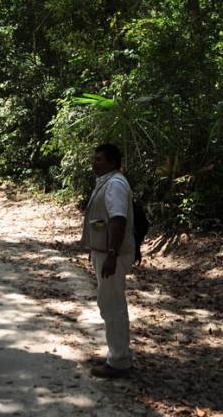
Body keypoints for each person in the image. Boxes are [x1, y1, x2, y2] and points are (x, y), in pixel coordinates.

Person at [82, 143, 135, 378]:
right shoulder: (107, 181)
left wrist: (112, 254)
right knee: (109, 303)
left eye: (100, 159)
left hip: (111, 254)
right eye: (94, 158)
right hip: (105, 252)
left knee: (112, 304)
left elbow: (118, 219)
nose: (95, 163)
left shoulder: (114, 184)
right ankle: (116, 354)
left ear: (113, 163)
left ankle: (119, 361)